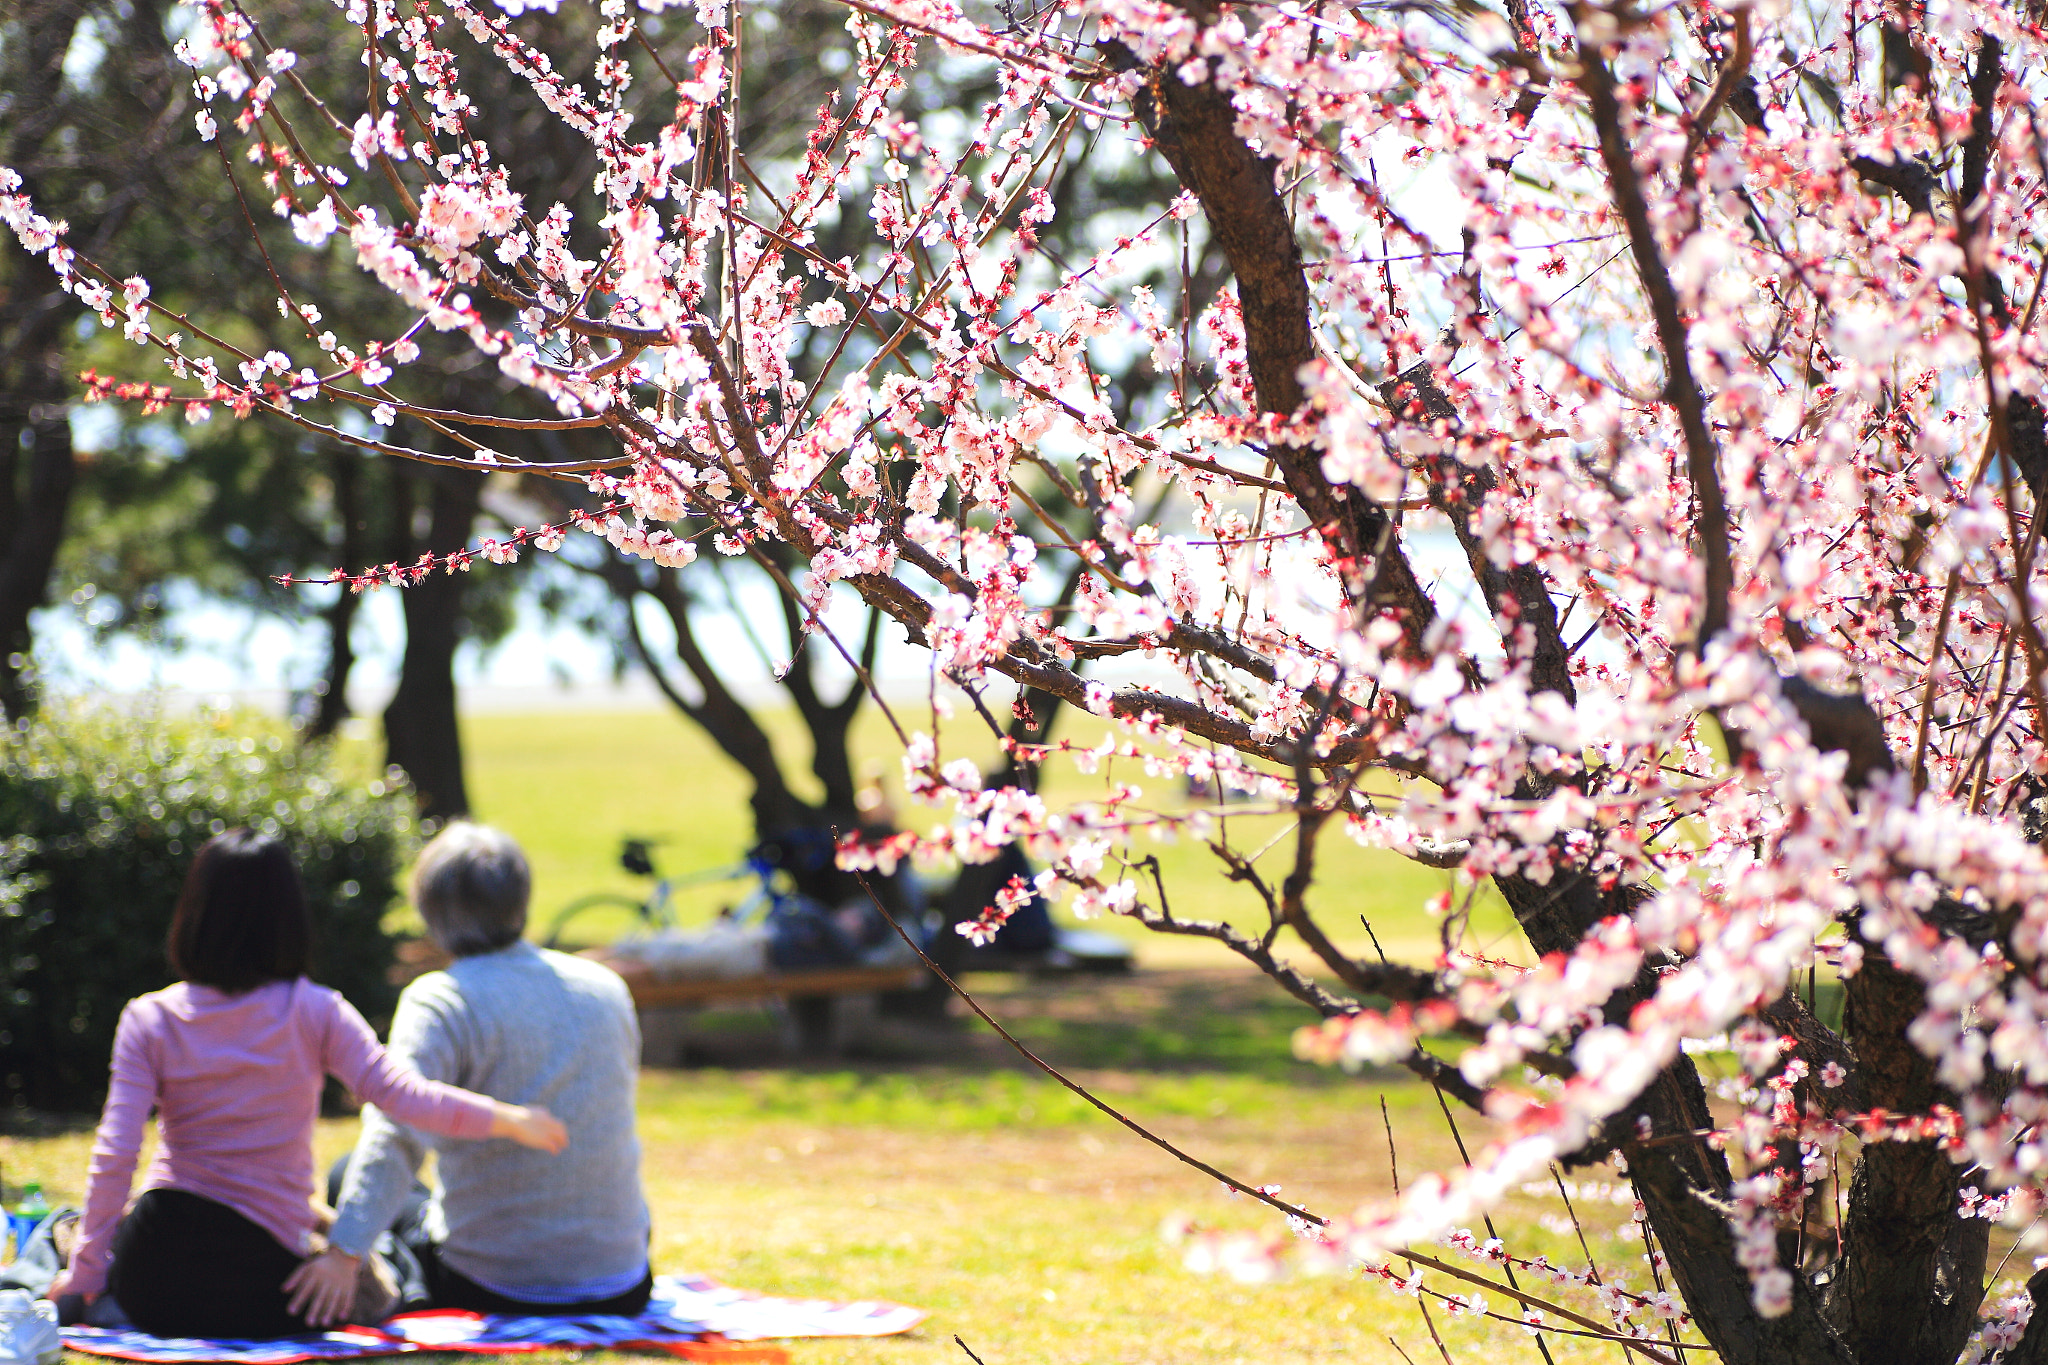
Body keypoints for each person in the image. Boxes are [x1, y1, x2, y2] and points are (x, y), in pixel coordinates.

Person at [45, 829, 568, 1338]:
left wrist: (87, 1274)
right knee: (374, 1279)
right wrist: (510, 1118)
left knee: (67, 1226)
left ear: (194, 913)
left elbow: (117, 1153)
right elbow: (404, 1096)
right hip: (273, 1287)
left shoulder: (150, 1018)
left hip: (153, 1273)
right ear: (289, 918)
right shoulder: (316, 1010)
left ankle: (100, 1293)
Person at [285, 823, 651, 1326]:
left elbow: (394, 1135)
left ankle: (406, 1285)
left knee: (345, 1172)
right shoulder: (604, 988)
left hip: (491, 1284)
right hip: (621, 1280)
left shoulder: (443, 999)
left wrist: (343, 1253)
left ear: (429, 909)